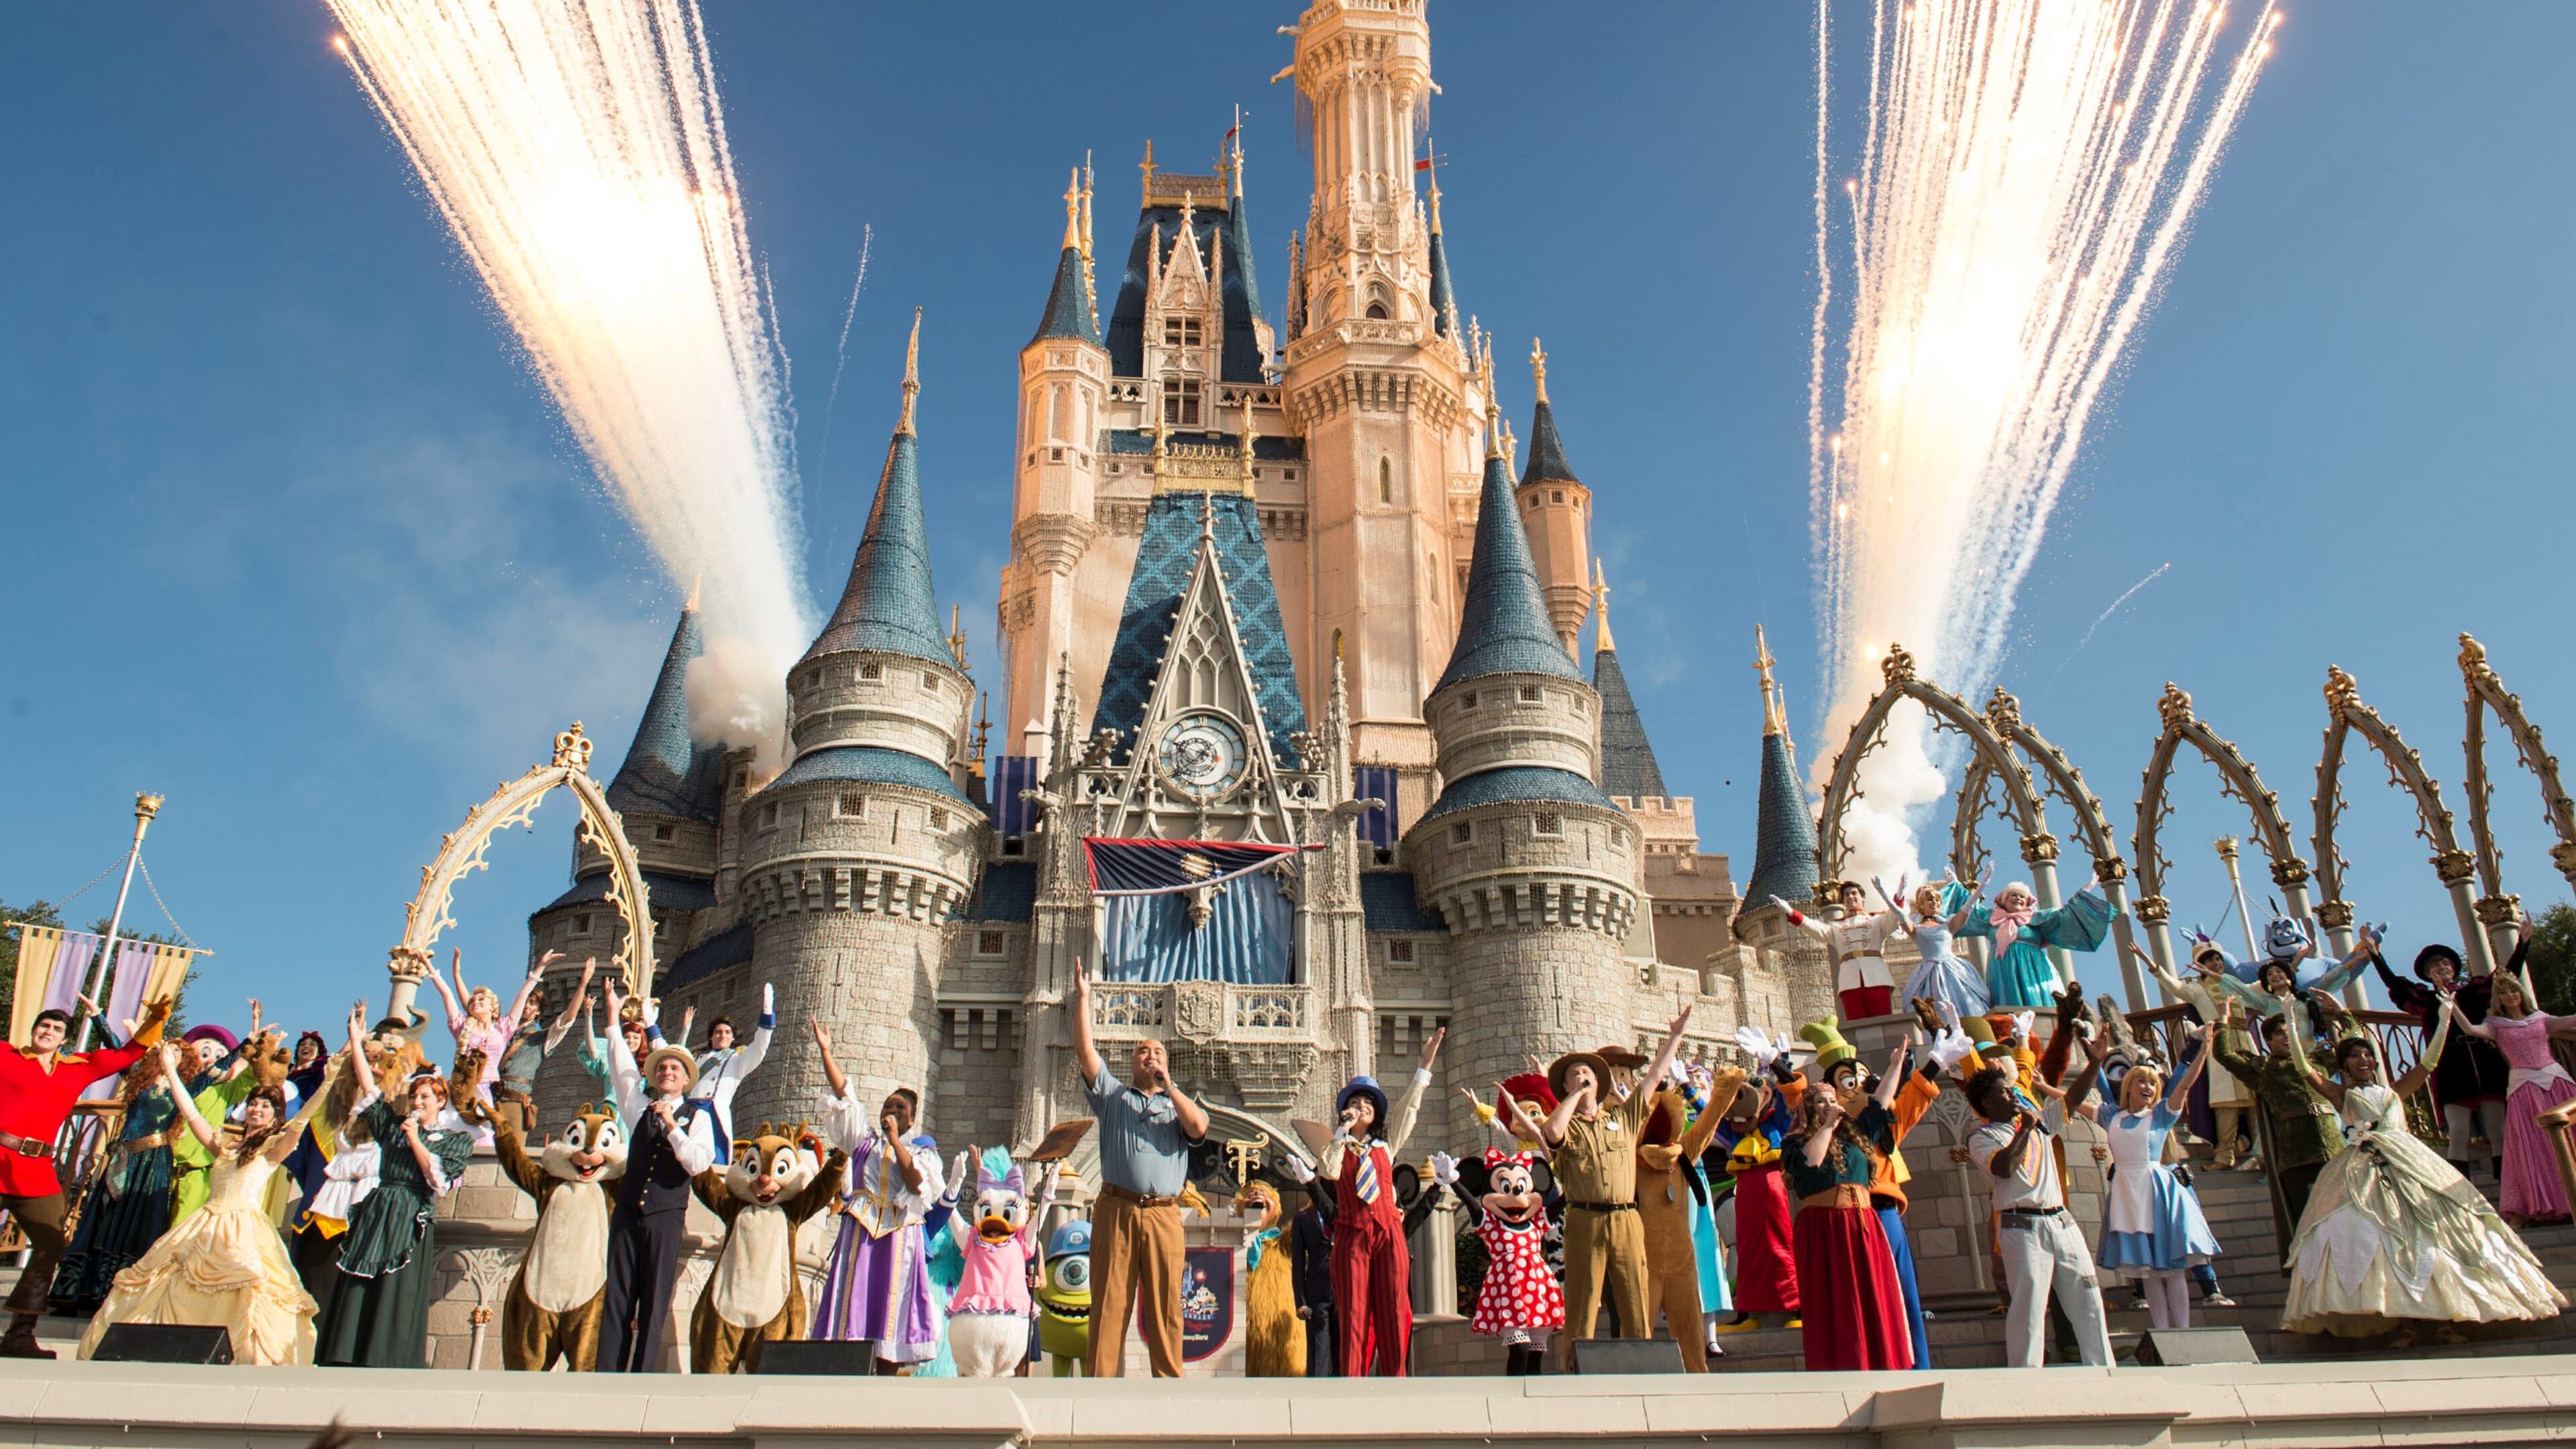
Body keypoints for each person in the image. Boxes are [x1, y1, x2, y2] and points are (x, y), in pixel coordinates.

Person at [2279, 993, 2565, 1341]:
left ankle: (2445, 1320)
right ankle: (2405, 1323)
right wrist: (2292, 1024)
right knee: (2371, 1236)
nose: (2364, 1059)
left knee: (2439, 1234)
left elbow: (2429, 1063)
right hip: (2362, 1169)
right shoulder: (2342, 1095)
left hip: (2414, 1165)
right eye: (2354, 1056)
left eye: (2367, 1053)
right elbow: (2303, 1068)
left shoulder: (2395, 1092)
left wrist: (2444, 1021)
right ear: (2344, 1066)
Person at [80, 1032, 335, 1365]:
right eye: (255, 1103)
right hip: (204, 1223)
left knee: (248, 1288)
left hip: (244, 1229)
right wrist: (171, 1071)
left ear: (275, 1116)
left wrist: (327, 1084)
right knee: (169, 1280)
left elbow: (300, 1122)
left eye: (266, 1106)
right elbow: (190, 1113)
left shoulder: (273, 1151)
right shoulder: (223, 1147)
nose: (257, 1108)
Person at [0, 996, 170, 1358]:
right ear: (33, 1032)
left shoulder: (77, 1068)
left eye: (57, 1029)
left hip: (36, 1170)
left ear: (65, 1039)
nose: (48, 1032)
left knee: (50, 1243)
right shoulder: (7, 1056)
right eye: (43, 1026)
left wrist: (155, 1019)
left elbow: (128, 1055)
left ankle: (19, 1333)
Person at [1066, 961, 1209, 1377]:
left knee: (1166, 1304)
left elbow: (1199, 1127)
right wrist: (1083, 999)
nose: (1151, 1056)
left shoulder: (1175, 1105)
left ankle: (1168, 1384)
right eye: (1143, 1052)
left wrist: (1171, 1087)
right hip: (1117, 1209)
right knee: (1110, 1302)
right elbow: (1085, 1051)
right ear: (1131, 1063)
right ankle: (1100, 1388)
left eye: (1158, 1052)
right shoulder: (1114, 1096)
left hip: (1164, 1213)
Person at [314, 1004, 475, 1368]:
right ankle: (344, 1353)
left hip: (410, 1213)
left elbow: (439, 1183)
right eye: (415, 1097)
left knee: (396, 1291)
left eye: (426, 1098)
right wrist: (356, 1040)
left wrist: (417, 1140)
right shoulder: (392, 1127)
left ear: (440, 1102)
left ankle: (386, 1358)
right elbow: (369, 1088)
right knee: (358, 1280)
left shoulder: (452, 1141)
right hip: (379, 1208)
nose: (418, 1102)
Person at [1538, 1007, 1693, 1370]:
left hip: (1625, 1218)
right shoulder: (1569, 1124)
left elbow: (1653, 1077)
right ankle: (1574, 1370)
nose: (1581, 1076)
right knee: (1582, 1300)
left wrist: (1675, 1037)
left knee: (1635, 1297)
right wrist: (1575, 1097)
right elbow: (1552, 1133)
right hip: (1584, 1220)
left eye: (1587, 1072)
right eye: (1574, 1074)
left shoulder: (1622, 1117)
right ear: (1564, 1086)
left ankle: (1645, 1371)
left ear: (1600, 1080)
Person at [808, 1014, 947, 1370]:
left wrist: (896, 1142)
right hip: (862, 1230)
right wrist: (826, 1051)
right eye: (888, 1106)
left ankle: (889, 1366)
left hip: (900, 1235)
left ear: (912, 1120)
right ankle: (848, 1360)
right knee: (855, 1297)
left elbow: (916, 1185)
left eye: (900, 1109)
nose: (891, 1111)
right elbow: (844, 1093)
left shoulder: (920, 1153)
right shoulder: (864, 1142)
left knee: (891, 1301)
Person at [590, 978, 714, 1373]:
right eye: (662, 1068)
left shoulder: (698, 1118)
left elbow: (698, 1163)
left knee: (653, 1301)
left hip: (665, 1216)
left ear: (685, 1078)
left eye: (674, 1069)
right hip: (629, 1212)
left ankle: (641, 1379)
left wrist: (673, 1127)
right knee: (618, 1298)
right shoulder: (639, 1106)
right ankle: (607, 1375)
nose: (667, 1073)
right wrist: (612, 1016)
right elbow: (622, 1067)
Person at [1964, 1045, 2113, 1368]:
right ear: (1988, 1102)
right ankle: (2027, 1377)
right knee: (2029, 1306)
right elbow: (2004, 1168)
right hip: (2022, 1226)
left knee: (2088, 1298)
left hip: (2061, 1221)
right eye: (2005, 1092)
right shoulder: (1982, 1136)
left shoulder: (2043, 1122)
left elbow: (2072, 1099)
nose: (2014, 1095)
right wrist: (2027, 1128)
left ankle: (2104, 1371)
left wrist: (2095, 1062)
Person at [1307, 1029, 1442, 1377]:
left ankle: (1396, 1380)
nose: (1361, 1107)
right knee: (1353, 1312)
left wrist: (1423, 1067)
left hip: (1388, 1233)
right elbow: (1330, 1172)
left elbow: (1409, 1108)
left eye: (1367, 1104)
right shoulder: (1337, 1146)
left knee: (1396, 1309)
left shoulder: (1385, 1146)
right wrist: (1341, 1133)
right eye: (1354, 1103)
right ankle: (1353, 1383)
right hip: (1352, 1235)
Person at [1780, 1032, 1913, 1372]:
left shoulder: (1854, 1135)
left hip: (1864, 1225)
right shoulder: (1798, 1141)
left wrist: (1896, 1065)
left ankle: (1884, 1362)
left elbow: (1880, 1103)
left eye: (1831, 1099)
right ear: (1809, 1109)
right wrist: (1826, 1126)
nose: (1829, 1104)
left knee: (1875, 1296)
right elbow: (1811, 1162)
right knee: (1841, 1301)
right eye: (1821, 1101)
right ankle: (1846, 1365)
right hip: (1827, 1228)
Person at [2090, 1019, 2221, 1330]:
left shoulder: (2161, 1114)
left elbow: (2184, 1083)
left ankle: (2186, 1328)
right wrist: (2043, 1085)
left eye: (2152, 1083)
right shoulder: (2113, 1115)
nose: (2148, 1087)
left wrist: (2202, 1049)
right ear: (2129, 1086)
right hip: (2127, 1191)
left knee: (2174, 1266)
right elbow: (2078, 1102)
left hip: (2160, 1187)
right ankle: (2162, 1332)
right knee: (2148, 1269)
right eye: (2141, 1082)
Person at [2447, 923, 2576, 1226]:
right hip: (2525, 1089)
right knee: (2533, 1148)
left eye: (2512, 990)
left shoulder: (2540, 1019)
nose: (2509, 995)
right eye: (2502, 992)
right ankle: (2549, 1204)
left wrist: (2524, 942)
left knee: (2570, 1138)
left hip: (2558, 1085)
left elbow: (2570, 1020)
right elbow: (2469, 1030)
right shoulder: (2497, 1026)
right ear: (2499, 999)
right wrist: (2450, 1005)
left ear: (2521, 993)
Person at [49, 1040, 184, 1314]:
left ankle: (122, 1296)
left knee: (139, 1224)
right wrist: (97, 1016)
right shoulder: (138, 1079)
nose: (172, 1053)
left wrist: (251, 1039)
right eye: (169, 1048)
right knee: (103, 1219)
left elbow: (225, 1069)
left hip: (152, 1165)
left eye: (179, 1051)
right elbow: (116, 1051)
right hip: (123, 1159)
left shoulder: (186, 1088)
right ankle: (79, 1292)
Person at [2212, 997, 2347, 1258]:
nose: (2286, 1038)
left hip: (2335, 1151)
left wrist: (2341, 1013)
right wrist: (2223, 1018)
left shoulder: (2316, 1064)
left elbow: (2351, 1045)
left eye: (2290, 1032)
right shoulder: (2262, 1068)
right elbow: (2224, 1054)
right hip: (2297, 1157)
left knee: (2346, 1218)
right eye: (2279, 1034)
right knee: (2310, 1224)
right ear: (2269, 1041)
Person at [1636, 1061, 1742, 1371]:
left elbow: (1708, 1123)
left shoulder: (1683, 1153)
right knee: (1639, 1331)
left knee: (1687, 1332)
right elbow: (1708, 1123)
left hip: (1682, 1261)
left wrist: (1723, 1092)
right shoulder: (1630, 1160)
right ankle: (1636, 1385)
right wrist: (1724, 1091)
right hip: (1646, 1263)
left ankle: (1691, 1376)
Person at [2372, 939, 2509, 1179]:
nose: (2442, 967)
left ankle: (2508, 1183)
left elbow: (2505, 980)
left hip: (2485, 1063)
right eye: (2435, 965)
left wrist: (2523, 944)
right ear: (2427, 974)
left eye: (2446, 963)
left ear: (2455, 969)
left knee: (2497, 1129)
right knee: (2458, 1131)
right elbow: (2395, 984)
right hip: (2450, 1068)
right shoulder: (2426, 1000)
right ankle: (2460, 1189)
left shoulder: (2472, 992)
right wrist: (2376, 956)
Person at [2131, 940, 2259, 1170]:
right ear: (2200, 965)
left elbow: (2259, 989)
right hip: (2220, 1049)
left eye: (2218, 958)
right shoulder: (2199, 991)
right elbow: (2174, 987)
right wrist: (2150, 963)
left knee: (2256, 1102)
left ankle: (2262, 1154)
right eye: (2210, 960)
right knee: (2225, 1102)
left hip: (2246, 1046)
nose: (2216, 963)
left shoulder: (2234, 985)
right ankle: (2224, 1156)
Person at [1711, 1029, 1802, 1332]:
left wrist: (1778, 1061)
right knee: (1748, 1249)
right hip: (1746, 1190)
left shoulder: (1778, 1120)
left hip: (1773, 1186)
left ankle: (1796, 1307)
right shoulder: (1735, 1130)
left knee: (1780, 1245)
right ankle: (1748, 1311)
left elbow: (1791, 1091)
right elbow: (1706, 1115)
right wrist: (1686, 1087)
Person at [416, 946, 546, 1122]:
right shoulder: (462, 1026)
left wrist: (541, 967)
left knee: (483, 1137)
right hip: (462, 1089)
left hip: (486, 1091)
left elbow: (522, 995)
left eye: (481, 999)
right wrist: (428, 964)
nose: (475, 1002)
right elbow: (446, 994)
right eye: (472, 1001)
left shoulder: (503, 1028)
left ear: (493, 1006)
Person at [1953, 877, 2114, 1012]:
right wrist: (1955, 885)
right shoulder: (1992, 919)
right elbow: (1969, 912)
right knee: (2007, 1004)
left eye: (2022, 897)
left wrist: (2088, 887)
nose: (2018, 898)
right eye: (2013, 895)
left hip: (2032, 969)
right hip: (2003, 970)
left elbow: (2064, 915)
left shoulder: (2036, 919)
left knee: (2036, 998)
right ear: (2004, 900)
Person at [662, 983, 773, 1157]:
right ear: (711, 1036)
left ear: (733, 1038)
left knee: (713, 1160)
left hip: (714, 1112)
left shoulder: (737, 1060)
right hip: (688, 1111)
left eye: (727, 1033)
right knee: (675, 1154)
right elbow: (676, 1061)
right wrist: (685, 1031)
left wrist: (767, 1016)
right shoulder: (697, 1058)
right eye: (718, 1032)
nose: (723, 1036)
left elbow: (759, 1048)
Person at [490, 953, 588, 1137]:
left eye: (532, 1003)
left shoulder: (540, 1038)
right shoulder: (500, 1032)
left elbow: (567, 1019)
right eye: (525, 1001)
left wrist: (582, 985)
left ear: (539, 1011)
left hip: (516, 1103)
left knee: (511, 1157)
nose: (526, 1006)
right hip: (490, 1099)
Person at [1772, 882, 1899, 1020]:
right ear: (1843, 901)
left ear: (1863, 898)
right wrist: (1792, 913)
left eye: (1854, 893)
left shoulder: (1877, 920)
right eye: (1846, 895)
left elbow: (1894, 917)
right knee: (1856, 1026)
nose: (1850, 897)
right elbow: (1816, 929)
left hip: (1877, 978)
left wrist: (1899, 896)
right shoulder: (1836, 926)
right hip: (1850, 981)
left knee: (1884, 1022)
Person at [1890, 879, 1989, 1020]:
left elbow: (1967, 907)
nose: (1935, 902)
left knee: (1967, 1002)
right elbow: (1899, 915)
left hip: (1954, 969)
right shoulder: (1916, 927)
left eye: (1937, 900)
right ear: (1921, 905)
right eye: (1930, 899)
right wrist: (1891, 895)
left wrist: (1982, 885)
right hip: (1929, 972)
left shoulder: (1948, 924)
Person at [1288, 1180, 1335, 1376]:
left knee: (1345, 1351)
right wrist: (1301, 1301)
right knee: (1318, 1350)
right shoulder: (1303, 1219)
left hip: (1345, 1291)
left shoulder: (1346, 1213)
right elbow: (1298, 1265)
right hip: (1317, 1293)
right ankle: (1316, 1396)